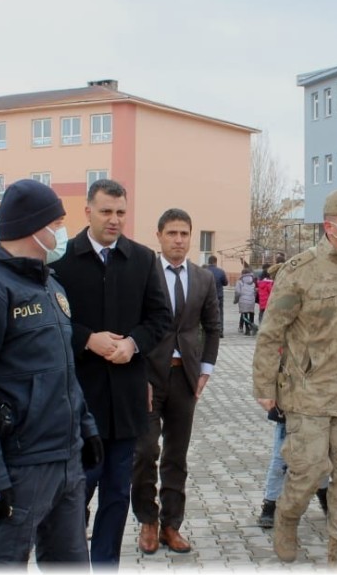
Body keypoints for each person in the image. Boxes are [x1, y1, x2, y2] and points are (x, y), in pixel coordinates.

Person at [0, 180, 102, 564]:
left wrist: (87, 428)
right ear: (37, 227)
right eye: (59, 222)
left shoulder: (51, 287)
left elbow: (64, 371)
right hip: (18, 466)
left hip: (65, 461)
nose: (63, 232)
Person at [252, 188, 337, 565]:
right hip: (308, 392)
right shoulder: (300, 272)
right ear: (330, 226)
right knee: (308, 470)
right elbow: (271, 332)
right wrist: (264, 387)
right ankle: (287, 516)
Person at [46, 179, 172, 567]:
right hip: (78, 401)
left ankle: (105, 563)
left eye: (120, 212)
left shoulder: (142, 259)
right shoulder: (60, 260)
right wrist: (87, 339)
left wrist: (132, 344)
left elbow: (160, 317)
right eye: (106, 212)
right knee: (75, 494)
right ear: (87, 212)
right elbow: (49, 320)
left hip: (127, 402)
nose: (114, 220)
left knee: (117, 495)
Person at [132, 209, 221, 555]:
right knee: (145, 451)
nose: (179, 240)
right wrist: (137, 374)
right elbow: (131, 325)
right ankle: (147, 521)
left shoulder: (202, 278)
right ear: (159, 236)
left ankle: (172, 525)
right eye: (172, 233)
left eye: (184, 233)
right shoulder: (144, 274)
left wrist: (206, 369)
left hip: (185, 377)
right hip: (148, 377)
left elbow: (213, 327)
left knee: (176, 455)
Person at [203, 255, 228, 338]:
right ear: (215, 262)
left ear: (208, 261)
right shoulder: (221, 271)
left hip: (206, 296)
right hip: (219, 295)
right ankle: (220, 331)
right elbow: (225, 283)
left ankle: (207, 331)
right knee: (220, 312)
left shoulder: (204, 271)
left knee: (206, 313)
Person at [234, 268, 258, 335]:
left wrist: (235, 300)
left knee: (244, 315)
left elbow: (237, 292)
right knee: (251, 313)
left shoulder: (240, 282)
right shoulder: (253, 282)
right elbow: (255, 292)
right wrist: (253, 298)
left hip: (243, 300)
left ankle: (247, 329)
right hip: (251, 300)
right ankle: (252, 328)